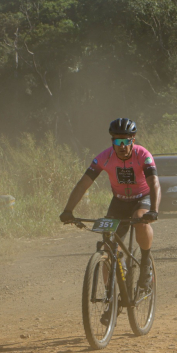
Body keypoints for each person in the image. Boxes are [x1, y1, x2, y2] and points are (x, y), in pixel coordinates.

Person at [60, 118, 161, 295]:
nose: (122, 146)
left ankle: (145, 263)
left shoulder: (143, 155)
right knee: (108, 247)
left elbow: (154, 184)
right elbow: (83, 184)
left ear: (133, 140)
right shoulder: (103, 157)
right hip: (119, 201)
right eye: (117, 141)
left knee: (140, 219)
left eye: (126, 141)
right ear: (112, 142)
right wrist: (68, 210)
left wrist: (154, 210)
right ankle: (111, 295)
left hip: (142, 197)